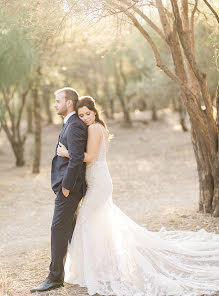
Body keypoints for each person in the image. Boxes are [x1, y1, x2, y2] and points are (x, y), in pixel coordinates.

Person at [57, 95, 219, 296]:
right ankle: (104, 265)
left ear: (95, 112)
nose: (84, 118)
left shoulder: (94, 128)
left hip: (99, 183)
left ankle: (98, 268)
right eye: (80, 116)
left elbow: (88, 157)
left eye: (87, 114)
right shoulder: (98, 127)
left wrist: (67, 154)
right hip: (99, 180)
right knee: (99, 223)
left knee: (86, 221)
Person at [30, 88, 88, 293]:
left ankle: (55, 277)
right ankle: (86, 269)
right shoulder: (69, 123)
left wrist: (66, 187)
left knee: (58, 229)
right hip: (67, 188)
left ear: (69, 103)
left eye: (58, 101)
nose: (55, 105)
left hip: (69, 189)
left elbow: (77, 159)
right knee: (72, 231)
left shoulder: (74, 126)